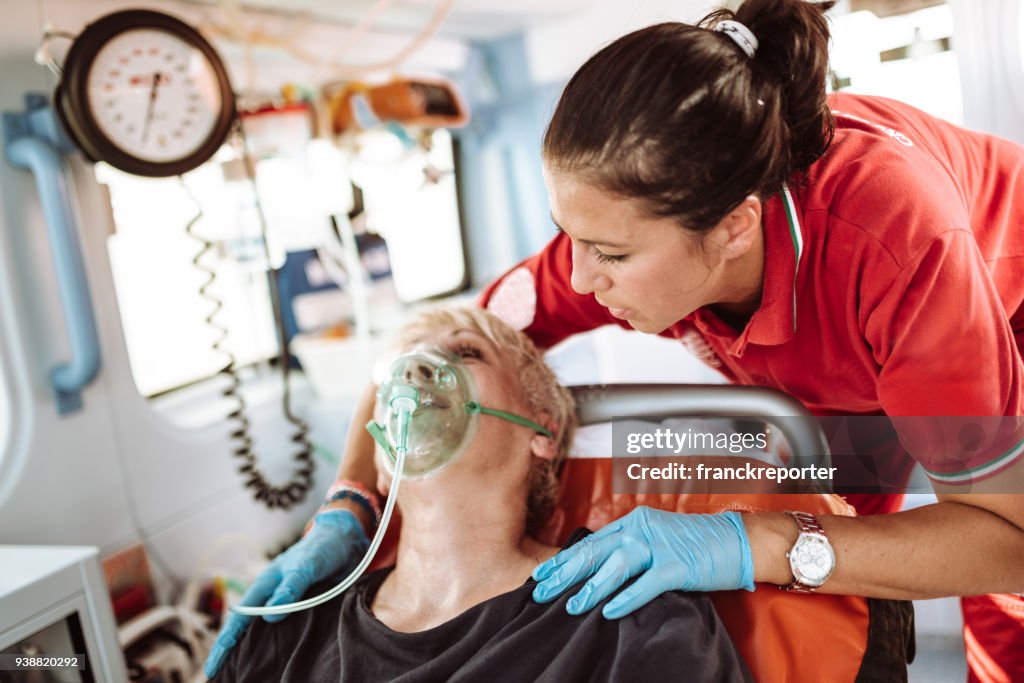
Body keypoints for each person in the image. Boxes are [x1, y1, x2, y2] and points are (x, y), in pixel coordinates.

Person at [208, 1, 1024, 680]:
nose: (581, 279)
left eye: (613, 254)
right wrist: (349, 502)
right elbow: (421, 355)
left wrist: (754, 541)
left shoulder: (903, 247)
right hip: (841, 365)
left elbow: (1008, 544)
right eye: (572, 237)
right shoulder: (617, 244)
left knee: (1006, 613)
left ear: (735, 226)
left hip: (994, 327)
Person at [208, 306, 752, 682]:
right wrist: (343, 503)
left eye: (467, 353)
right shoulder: (289, 622)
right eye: (408, 363)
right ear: (377, 453)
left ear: (542, 431)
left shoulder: (626, 611)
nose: (418, 372)